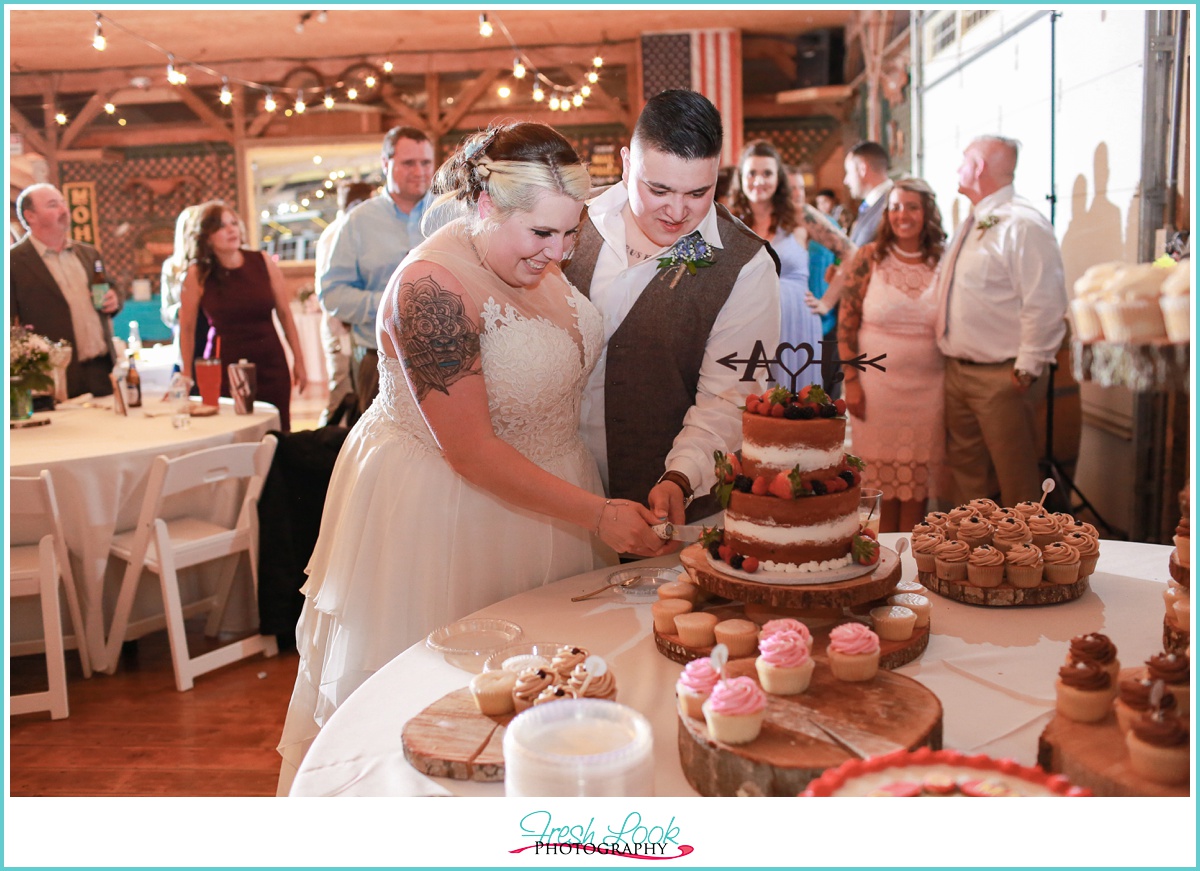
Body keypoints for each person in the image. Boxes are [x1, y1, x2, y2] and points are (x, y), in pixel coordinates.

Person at [276, 122, 665, 794]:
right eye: (543, 233)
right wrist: (599, 514)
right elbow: (473, 451)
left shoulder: (530, 256)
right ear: (484, 203)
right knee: (450, 716)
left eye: (570, 233)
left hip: (554, 495)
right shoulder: (430, 289)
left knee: (545, 710)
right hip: (448, 513)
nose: (561, 251)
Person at [564, 89, 781, 525]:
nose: (677, 211)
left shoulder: (747, 266)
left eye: (698, 193)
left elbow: (730, 396)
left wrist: (680, 477)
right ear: (627, 163)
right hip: (561, 500)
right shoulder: (572, 221)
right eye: (659, 189)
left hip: (674, 511)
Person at [935, 135, 1068, 506]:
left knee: (1016, 483)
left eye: (963, 161)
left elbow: (1046, 300)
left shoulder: (1022, 224)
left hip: (1003, 376)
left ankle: (1021, 560)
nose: (957, 169)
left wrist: (1026, 368)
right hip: (958, 370)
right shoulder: (974, 219)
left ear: (978, 167)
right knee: (967, 480)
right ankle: (975, 557)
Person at [836, 178, 947, 532]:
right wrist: (852, 382)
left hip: (929, 391)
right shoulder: (869, 257)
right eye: (896, 207)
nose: (903, 215)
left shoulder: (943, 260)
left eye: (912, 207)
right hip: (875, 390)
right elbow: (846, 326)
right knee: (877, 488)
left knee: (916, 488)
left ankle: (910, 563)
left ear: (927, 212)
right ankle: (878, 563)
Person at [318, 126, 435, 415]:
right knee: (381, 451)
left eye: (426, 162)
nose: (419, 171)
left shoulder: (449, 214)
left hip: (443, 353)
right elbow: (332, 294)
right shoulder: (358, 222)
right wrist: (388, 305)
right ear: (385, 163)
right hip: (378, 358)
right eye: (409, 163)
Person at [727, 142, 854, 389]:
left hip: (795, 321)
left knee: (793, 407)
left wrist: (827, 301)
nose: (758, 180)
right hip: (748, 322)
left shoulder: (798, 215)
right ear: (741, 178)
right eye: (751, 173)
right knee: (749, 403)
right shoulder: (732, 221)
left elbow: (851, 253)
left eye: (767, 173)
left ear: (779, 179)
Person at [179, 201, 306, 431]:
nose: (231, 230)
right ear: (207, 237)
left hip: (271, 361)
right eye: (221, 226)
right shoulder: (197, 274)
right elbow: (186, 328)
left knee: (278, 432)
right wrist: (186, 374)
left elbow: (285, 314)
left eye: (233, 223)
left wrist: (299, 360)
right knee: (232, 432)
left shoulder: (262, 262)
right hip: (225, 365)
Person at [10, 183, 123, 397]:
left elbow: (111, 288)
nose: (64, 210)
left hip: (101, 369)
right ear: (30, 216)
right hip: (55, 374)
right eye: (53, 205)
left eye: (63, 203)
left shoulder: (88, 254)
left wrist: (115, 298)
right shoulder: (12, 262)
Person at [314, 181, 377, 426]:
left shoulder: (357, 230)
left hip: (355, 325)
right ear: (355, 204)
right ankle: (327, 445)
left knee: (355, 390)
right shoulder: (338, 233)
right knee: (341, 388)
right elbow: (332, 291)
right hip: (341, 325)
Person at [160, 204, 216, 392]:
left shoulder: (213, 266)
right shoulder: (172, 266)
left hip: (211, 337)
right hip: (186, 338)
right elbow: (166, 313)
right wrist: (186, 306)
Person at [843, 140, 894, 246]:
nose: (846, 181)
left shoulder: (892, 205)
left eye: (848, 172)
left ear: (862, 169)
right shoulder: (870, 205)